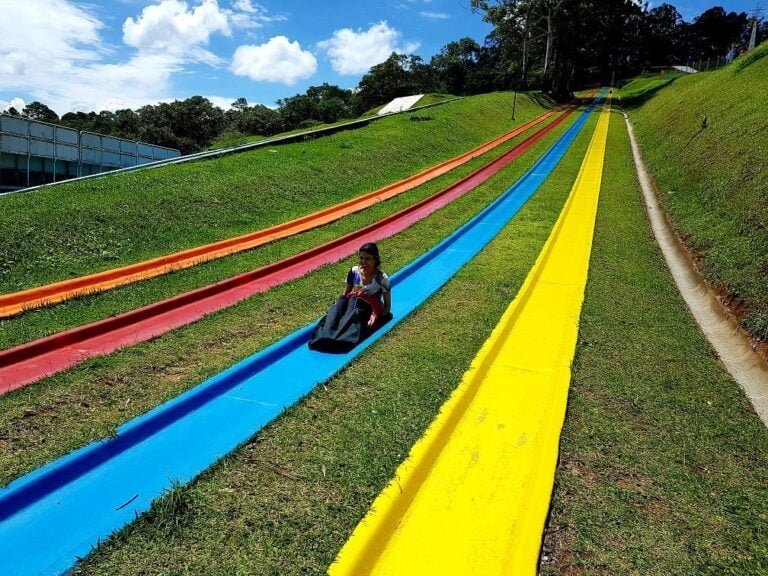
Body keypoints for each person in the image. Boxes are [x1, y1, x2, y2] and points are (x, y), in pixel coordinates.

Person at [308, 243, 392, 352]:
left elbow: (387, 306)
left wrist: (378, 318)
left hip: (368, 306)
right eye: (361, 258)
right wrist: (338, 305)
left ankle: (341, 339)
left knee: (355, 307)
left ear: (375, 259)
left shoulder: (382, 278)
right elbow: (346, 293)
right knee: (338, 306)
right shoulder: (354, 271)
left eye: (367, 259)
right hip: (353, 301)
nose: (363, 262)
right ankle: (325, 335)